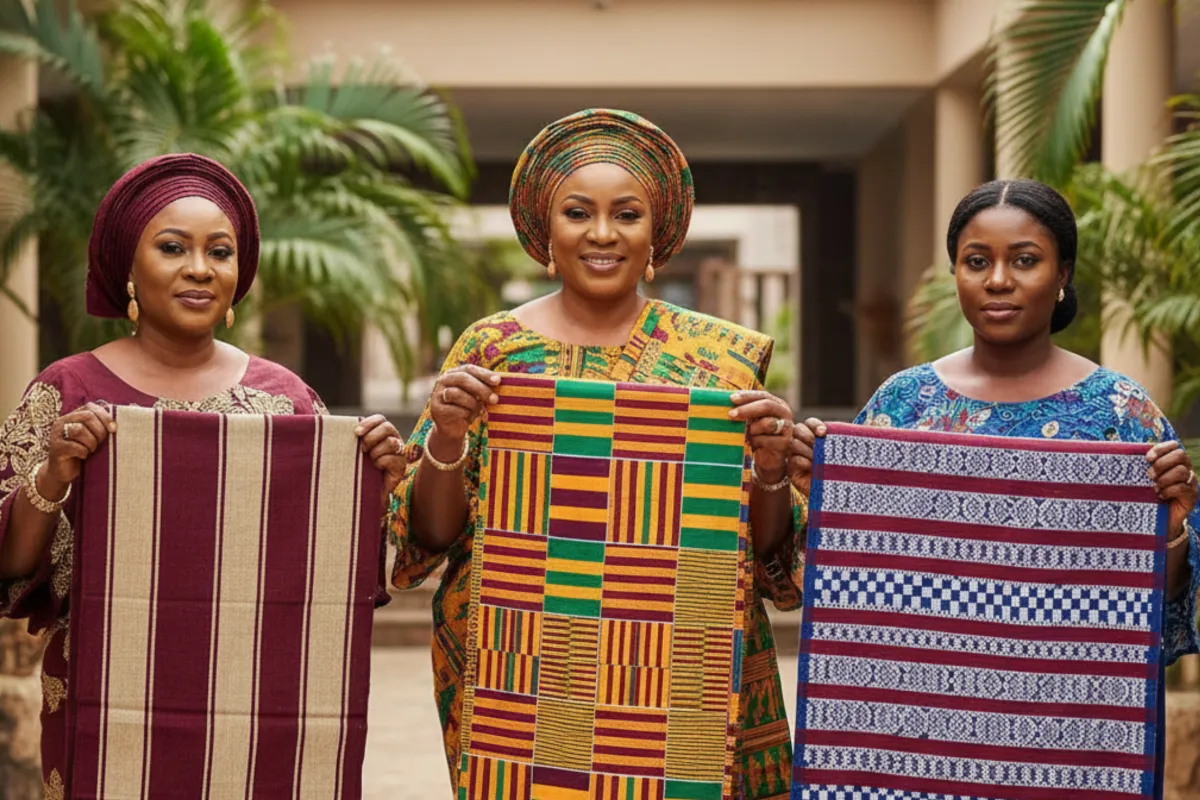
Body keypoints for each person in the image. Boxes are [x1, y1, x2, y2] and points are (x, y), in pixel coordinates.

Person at [389, 109, 803, 799]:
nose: (603, 233)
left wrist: (767, 471)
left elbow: (764, 560)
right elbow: (428, 539)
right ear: (546, 233)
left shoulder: (723, 362)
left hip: (683, 669)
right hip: (522, 666)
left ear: (658, 236)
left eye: (627, 214)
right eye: (578, 212)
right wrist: (448, 439)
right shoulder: (492, 351)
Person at [0, 153, 406, 795]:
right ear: (128, 270)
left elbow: (341, 570)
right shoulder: (69, 389)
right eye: (172, 248)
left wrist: (376, 482)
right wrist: (53, 474)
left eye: (220, 251)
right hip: (105, 711)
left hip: (261, 715)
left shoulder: (286, 398)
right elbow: (12, 564)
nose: (199, 268)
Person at [790, 178, 1200, 798]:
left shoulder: (1122, 413)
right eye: (977, 261)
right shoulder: (902, 403)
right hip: (912, 741)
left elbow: (1156, 611)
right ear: (955, 273)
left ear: (1063, 273)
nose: (998, 280)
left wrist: (1169, 532)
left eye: (1025, 260)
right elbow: (839, 571)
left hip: (1065, 745)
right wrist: (808, 483)